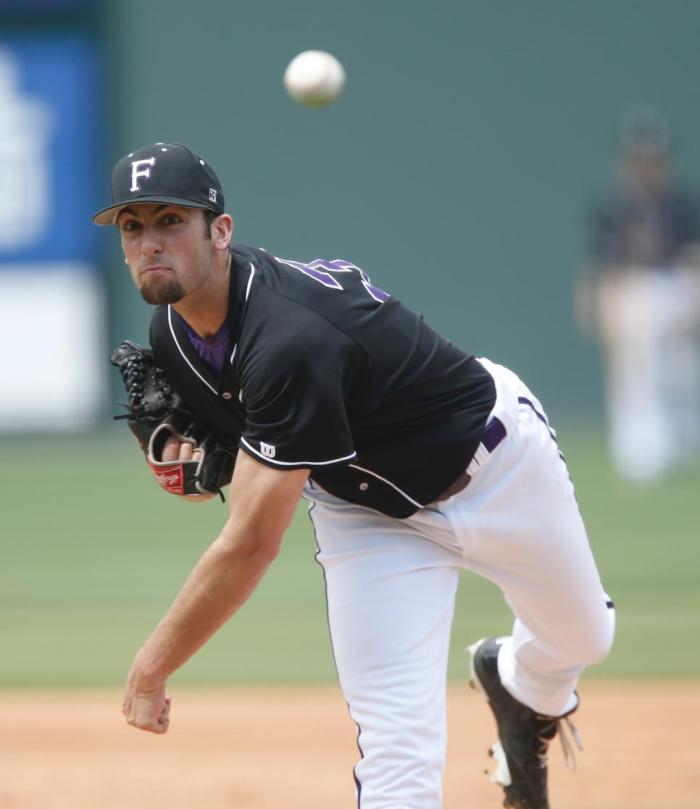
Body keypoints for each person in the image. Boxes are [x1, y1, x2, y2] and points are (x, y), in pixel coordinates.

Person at [94, 142, 615, 809]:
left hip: (496, 466)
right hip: (366, 517)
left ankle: (517, 686)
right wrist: (188, 464)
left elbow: (251, 542)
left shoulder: (288, 339)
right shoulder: (172, 331)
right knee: (399, 747)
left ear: (220, 231)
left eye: (170, 220)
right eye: (132, 227)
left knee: (584, 637)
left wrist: (151, 665)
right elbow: (226, 470)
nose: (149, 243)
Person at [579, 106, 700, 484]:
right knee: (634, 373)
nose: (647, 163)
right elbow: (600, 264)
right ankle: (641, 453)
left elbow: (691, 255)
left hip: (672, 286)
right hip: (630, 289)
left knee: (682, 370)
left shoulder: (678, 203)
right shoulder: (614, 205)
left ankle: (685, 443)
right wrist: (597, 304)